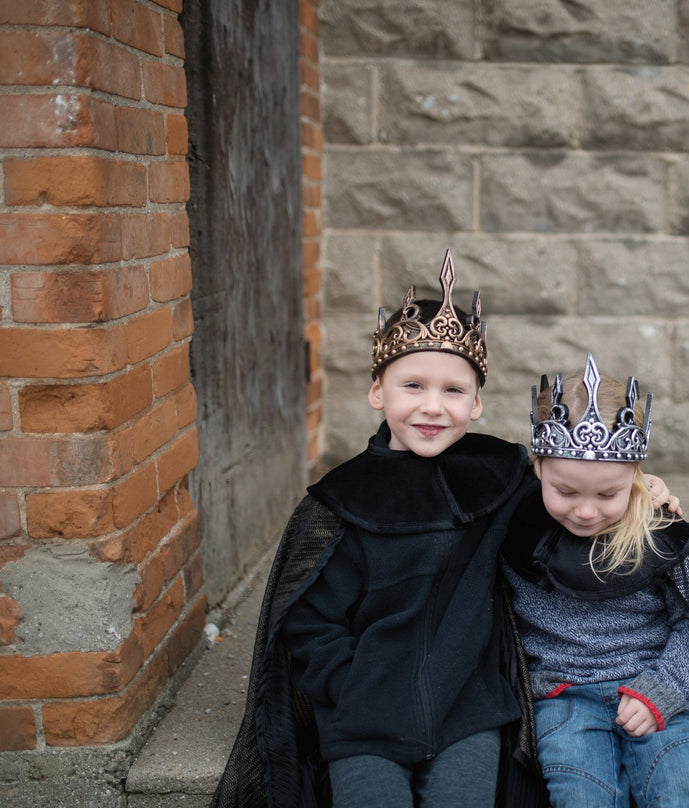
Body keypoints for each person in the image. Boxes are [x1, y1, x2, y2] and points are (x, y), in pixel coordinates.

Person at [211, 252, 535, 808]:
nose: (432, 407)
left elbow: (571, 514)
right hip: (363, 714)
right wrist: (352, 684)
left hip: (469, 709)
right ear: (377, 393)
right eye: (412, 385)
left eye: (453, 391)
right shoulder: (342, 500)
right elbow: (310, 621)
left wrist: (640, 494)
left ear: (477, 403)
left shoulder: (502, 478)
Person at [501, 354, 689, 808]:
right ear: (538, 468)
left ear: (635, 475)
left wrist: (664, 690)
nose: (586, 511)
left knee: (681, 790)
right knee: (580, 795)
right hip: (562, 696)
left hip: (651, 684)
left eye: (608, 493)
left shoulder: (655, 532)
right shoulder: (515, 524)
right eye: (566, 491)